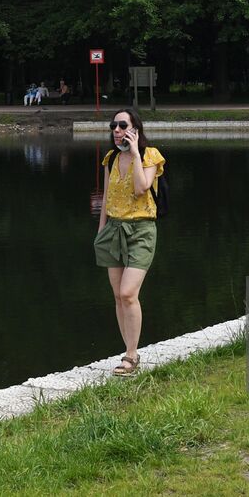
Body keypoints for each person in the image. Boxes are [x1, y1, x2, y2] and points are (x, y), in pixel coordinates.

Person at [93, 108, 165, 377]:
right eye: (114, 125)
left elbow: (141, 188)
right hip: (113, 229)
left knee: (128, 293)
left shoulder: (150, 156)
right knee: (117, 296)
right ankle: (128, 351)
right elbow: (107, 197)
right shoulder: (110, 158)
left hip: (141, 231)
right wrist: (101, 231)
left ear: (135, 129)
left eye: (123, 125)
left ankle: (132, 356)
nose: (116, 130)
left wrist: (135, 154)